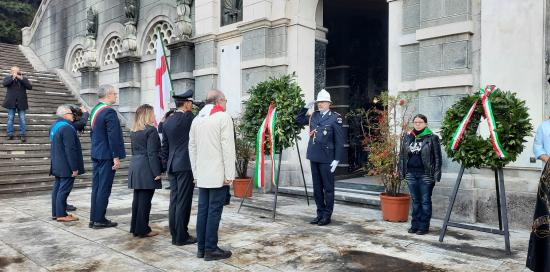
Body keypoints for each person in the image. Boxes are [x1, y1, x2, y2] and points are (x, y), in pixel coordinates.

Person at [189, 89, 235, 261]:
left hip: (202, 174)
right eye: (225, 100)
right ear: (219, 101)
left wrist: (195, 173)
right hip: (218, 174)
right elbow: (228, 148)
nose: (226, 103)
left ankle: (201, 248)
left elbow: (191, 148)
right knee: (214, 211)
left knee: (203, 211)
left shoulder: (197, 119)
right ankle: (210, 249)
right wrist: (230, 174)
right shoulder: (223, 117)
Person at [296, 89, 344, 226]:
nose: (320, 104)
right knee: (317, 188)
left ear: (329, 103)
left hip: (327, 158)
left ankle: (327, 215)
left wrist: (337, 159)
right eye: (318, 102)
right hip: (314, 156)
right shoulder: (313, 116)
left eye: (323, 102)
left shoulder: (335, 118)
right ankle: (319, 213)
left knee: (328, 188)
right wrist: (305, 107)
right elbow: (298, 119)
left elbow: (339, 141)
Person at [160, 89, 197, 246]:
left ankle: (175, 233)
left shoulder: (168, 120)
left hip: (172, 164)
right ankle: (182, 236)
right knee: (183, 201)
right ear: (187, 103)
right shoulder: (188, 118)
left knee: (174, 200)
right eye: (191, 103)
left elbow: (165, 146)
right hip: (184, 165)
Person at [89, 84, 126, 229]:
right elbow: (113, 136)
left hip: (97, 153)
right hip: (106, 155)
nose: (116, 96)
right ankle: (99, 220)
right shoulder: (109, 112)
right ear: (108, 94)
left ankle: (94, 218)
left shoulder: (95, 110)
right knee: (104, 188)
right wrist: (115, 157)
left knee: (97, 187)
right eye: (115, 94)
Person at [398, 114, 442, 235]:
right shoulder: (407, 138)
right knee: (416, 201)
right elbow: (402, 157)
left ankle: (423, 226)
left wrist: (436, 174)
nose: (417, 124)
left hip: (426, 175)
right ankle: (414, 225)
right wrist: (402, 172)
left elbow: (438, 158)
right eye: (415, 122)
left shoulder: (432, 138)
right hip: (411, 174)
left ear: (425, 124)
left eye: (420, 122)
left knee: (425, 201)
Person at [128, 104, 162, 238]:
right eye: (152, 113)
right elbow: (152, 153)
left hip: (136, 165)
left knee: (138, 199)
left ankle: (136, 227)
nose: (154, 116)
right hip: (147, 167)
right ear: (148, 115)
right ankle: (143, 229)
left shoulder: (134, 130)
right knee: (145, 200)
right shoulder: (151, 130)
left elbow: (134, 151)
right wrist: (156, 172)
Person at [49, 104, 85, 222]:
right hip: (66, 165)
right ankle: (61, 215)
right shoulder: (67, 128)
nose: (73, 116)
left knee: (57, 189)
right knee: (63, 190)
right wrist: (74, 168)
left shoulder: (55, 126)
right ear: (65, 115)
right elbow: (70, 149)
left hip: (57, 163)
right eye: (71, 113)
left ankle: (56, 213)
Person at [527, 119, 550, 271]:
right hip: (549, 177)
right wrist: (548, 160)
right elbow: (537, 147)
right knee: (546, 217)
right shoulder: (544, 126)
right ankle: (544, 262)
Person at [2, 66, 32, 142]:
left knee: (22, 119)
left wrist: (21, 78)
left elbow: (30, 87)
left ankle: (22, 134)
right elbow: (5, 84)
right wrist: (13, 77)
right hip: (11, 102)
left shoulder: (23, 79)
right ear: (11, 72)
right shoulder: (8, 78)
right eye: (14, 71)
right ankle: (10, 134)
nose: (16, 73)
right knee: (10, 118)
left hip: (21, 102)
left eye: (17, 71)